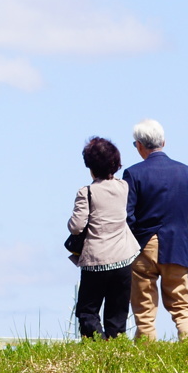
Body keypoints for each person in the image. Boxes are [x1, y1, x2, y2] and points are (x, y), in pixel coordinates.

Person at [123, 119, 188, 341]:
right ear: (163, 142)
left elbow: (127, 216)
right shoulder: (187, 173)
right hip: (179, 248)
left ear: (140, 145)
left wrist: (128, 247)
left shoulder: (133, 174)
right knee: (181, 307)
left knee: (144, 313)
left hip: (143, 247)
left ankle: (147, 362)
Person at [68, 136, 140, 339]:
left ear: (90, 166)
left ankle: (96, 347)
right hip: (123, 258)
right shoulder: (124, 187)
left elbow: (76, 226)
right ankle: (115, 348)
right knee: (117, 314)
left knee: (87, 311)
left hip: (96, 261)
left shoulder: (87, 192)